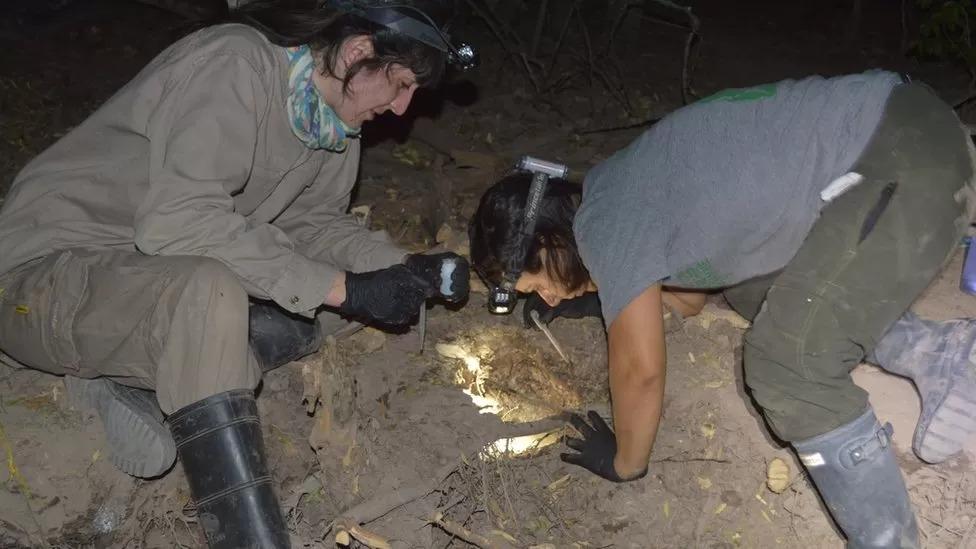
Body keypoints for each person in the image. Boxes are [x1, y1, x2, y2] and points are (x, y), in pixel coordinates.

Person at [0, 1, 473, 546]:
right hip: (39, 280)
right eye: (402, 85)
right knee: (220, 293)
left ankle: (127, 381)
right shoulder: (236, 63)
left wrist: (402, 269)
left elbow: (315, 225)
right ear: (358, 52)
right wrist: (343, 287)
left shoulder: (328, 123)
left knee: (337, 303)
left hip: (140, 282)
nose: (402, 108)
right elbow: (178, 222)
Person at [469, 70, 976, 548]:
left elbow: (641, 373)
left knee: (786, 365)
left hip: (902, 156)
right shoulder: (616, 192)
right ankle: (943, 354)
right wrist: (611, 300)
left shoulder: (604, 222)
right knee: (753, 290)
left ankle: (888, 540)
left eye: (537, 284)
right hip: (902, 137)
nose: (549, 299)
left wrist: (626, 462)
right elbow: (689, 298)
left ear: (552, 238)